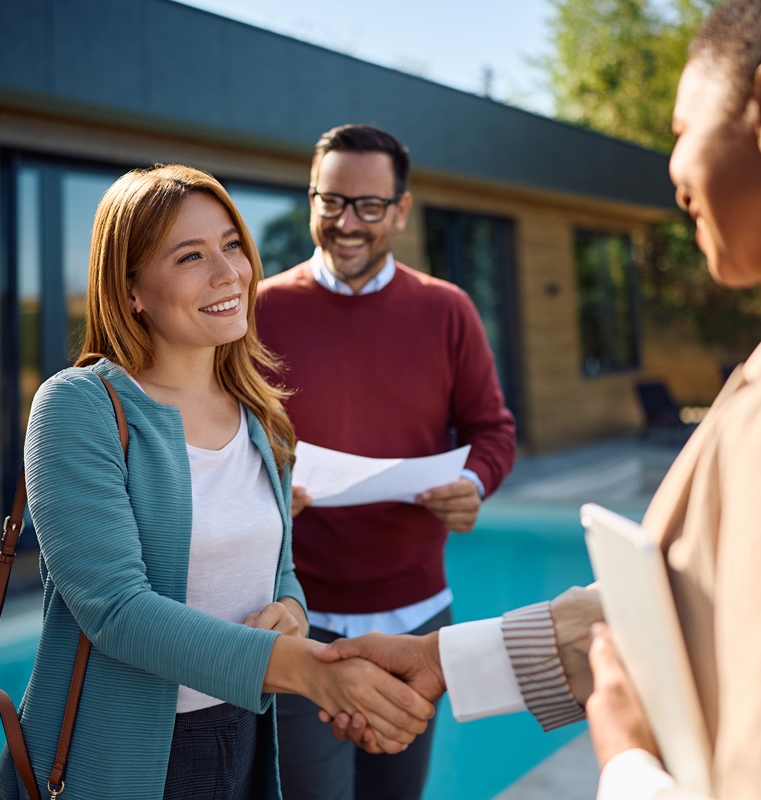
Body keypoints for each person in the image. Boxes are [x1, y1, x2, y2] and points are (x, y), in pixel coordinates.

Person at [314, 2, 761, 797]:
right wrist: (444, 660)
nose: (675, 170)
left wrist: (625, 761)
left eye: (683, 129)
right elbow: (687, 597)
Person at [0, 164, 435, 800]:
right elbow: (115, 610)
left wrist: (291, 612)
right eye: (190, 256)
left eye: (232, 245)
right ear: (133, 290)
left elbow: (280, 571)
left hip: (245, 739)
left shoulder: (261, 414)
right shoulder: (78, 407)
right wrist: (307, 669)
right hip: (121, 758)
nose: (229, 273)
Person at [255, 124, 517, 800]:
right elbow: (222, 439)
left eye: (369, 206)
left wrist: (471, 481)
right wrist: (260, 488)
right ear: (311, 200)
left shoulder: (447, 310)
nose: (348, 224)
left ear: (401, 210)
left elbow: (493, 429)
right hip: (297, 617)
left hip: (417, 618)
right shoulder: (259, 311)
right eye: (331, 202)